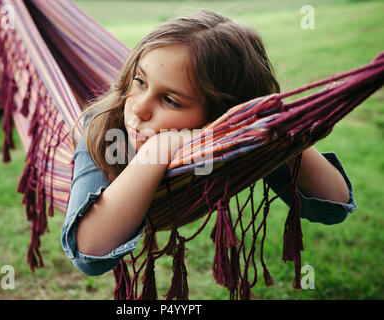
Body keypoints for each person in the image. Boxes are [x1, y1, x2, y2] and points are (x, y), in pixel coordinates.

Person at [61, 10, 356, 276]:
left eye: (170, 100)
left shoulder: (234, 136)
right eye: (140, 81)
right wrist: (157, 151)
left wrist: (279, 130)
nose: (138, 107)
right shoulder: (102, 126)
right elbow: (90, 253)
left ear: (219, 114)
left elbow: (333, 208)